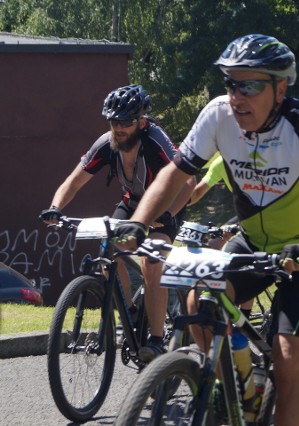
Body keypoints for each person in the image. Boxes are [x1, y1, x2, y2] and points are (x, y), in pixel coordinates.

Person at [113, 34, 299, 426]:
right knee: (198, 302)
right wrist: (140, 222)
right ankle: (242, 394)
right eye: (231, 84)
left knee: (287, 363)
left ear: (280, 88)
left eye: (250, 86)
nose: (237, 96)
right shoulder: (217, 115)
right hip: (250, 241)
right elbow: (176, 173)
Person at [39, 84, 194, 362]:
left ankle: (157, 341)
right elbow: (73, 182)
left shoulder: (155, 139)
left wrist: (168, 214)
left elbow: (188, 183)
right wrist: (55, 208)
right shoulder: (107, 143)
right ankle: (133, 314)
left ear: (141, 122)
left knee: (154, 257)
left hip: (166, 205)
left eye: (126, 122)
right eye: (113, 121)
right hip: (133, 203)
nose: (118, 128)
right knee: (107, 251)